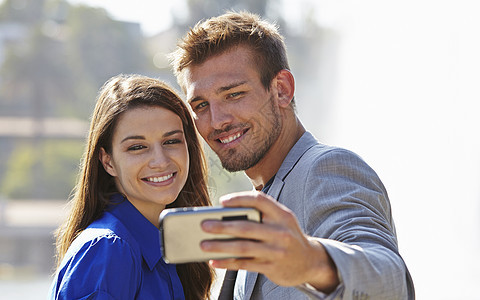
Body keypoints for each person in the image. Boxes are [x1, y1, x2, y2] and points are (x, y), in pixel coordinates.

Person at [170, 11, 415, 299]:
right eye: (200, 105)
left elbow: (390, 279)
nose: (217, 120)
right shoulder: (261, 198)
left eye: (234, 94)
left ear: (282, 90)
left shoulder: (326, 168)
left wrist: (312, 263)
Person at [49, 74, 214, 300]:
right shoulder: (109, 250)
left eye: (171, 141)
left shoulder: (176, 242)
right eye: (137, 147)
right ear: (108, 161)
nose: (161, 161)